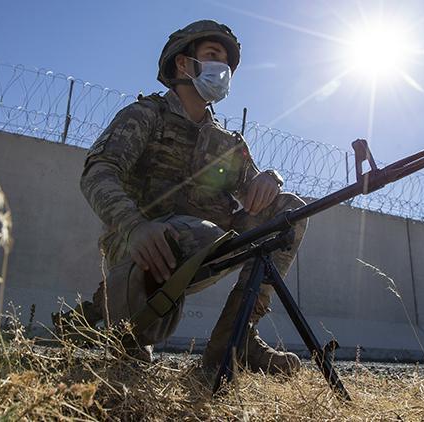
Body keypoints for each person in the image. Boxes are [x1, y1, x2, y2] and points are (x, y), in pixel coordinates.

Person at [69, 19, 307, 376]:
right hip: (140, 247)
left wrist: (271, 179)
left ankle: (236, 336)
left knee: (289, 210)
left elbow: (256, 186)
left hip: (207, 245)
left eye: (227, 64)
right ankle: (119, 321)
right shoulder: (146, 115)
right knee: (132, 358)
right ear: (184, 63)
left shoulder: (228, 142)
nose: (222, 70)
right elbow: (98, 172)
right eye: (213, 56)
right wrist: (134, 227)